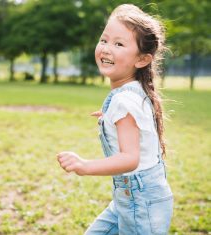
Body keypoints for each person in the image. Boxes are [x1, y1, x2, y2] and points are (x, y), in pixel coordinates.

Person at [57, 4, 173, 235]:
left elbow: (130, 159)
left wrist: (84, 166)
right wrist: (109, 117)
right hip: (131, 199)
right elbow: (137, 125)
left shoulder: (125, 100)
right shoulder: (135, 91)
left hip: (140, 203)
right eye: (104, 40)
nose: (107, 49)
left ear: (142, 60)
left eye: (119, 44)